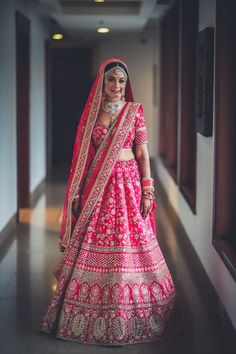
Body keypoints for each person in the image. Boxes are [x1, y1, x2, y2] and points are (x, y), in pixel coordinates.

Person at [40, 58, 181, 345]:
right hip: (98, 188)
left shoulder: (135, 112)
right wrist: (77, 194)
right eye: (112, 80)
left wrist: (147, 190)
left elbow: (142, 155)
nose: (117, 86)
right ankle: (90, 306)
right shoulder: (91, 114)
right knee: (97, 240)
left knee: (131, 241)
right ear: (102, 83)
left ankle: (133, 306)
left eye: (121, 81)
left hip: (127, 185)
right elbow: (82, 158)